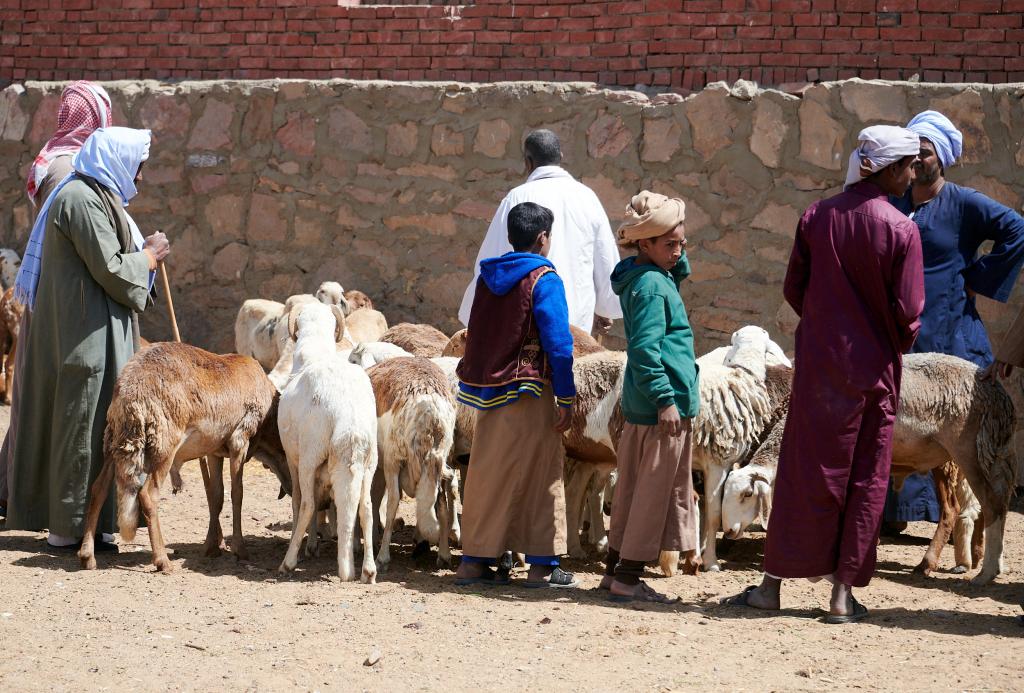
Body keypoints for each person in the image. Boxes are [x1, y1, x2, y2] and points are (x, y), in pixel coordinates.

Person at [723, 125, 925, 623]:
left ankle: (771, 587)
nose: (915, 173)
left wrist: (824, 327)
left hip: (818, 369)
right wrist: (882, 340)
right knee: (864, 477)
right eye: (911, 165)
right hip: (873, 372)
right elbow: (910, 311)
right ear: (893, 169)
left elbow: (796, 288)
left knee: (804, 469)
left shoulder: (817, 216)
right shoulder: (902, 229)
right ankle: (841, 595)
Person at [4, 127, 170, 550]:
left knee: (101, 427)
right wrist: (148, 257)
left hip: (94, 329)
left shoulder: (96, 195)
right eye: (138, 167)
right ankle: (69, 525)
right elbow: (111, 268)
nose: (141, 177)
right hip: (84, 336)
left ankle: (99, 525)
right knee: (82, 423)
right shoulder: (80, 199)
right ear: (116, 161)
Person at [883, 110, 1024, 530]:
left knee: (952, 434)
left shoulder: (964, 202)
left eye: (924, 154)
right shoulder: (896, 203)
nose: (917, 162)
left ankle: (956, 524)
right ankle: (898, 518)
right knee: (900, 426)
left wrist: (975, 277)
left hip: (949, 333)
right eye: (911, 155)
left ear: (940, 158)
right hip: (902, 335)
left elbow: (1018, 230)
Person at [0, 81, 113, 519]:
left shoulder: (56, 157)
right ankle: (36, 499)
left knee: (35, 391)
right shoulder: (69, 167)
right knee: (53, 397)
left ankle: (15, 487)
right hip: (61, 299)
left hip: (47, 292)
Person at [454, 201, 578, 588]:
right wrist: (567, 396)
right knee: (541, 472)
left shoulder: (488, 277)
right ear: (543, 238)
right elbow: (559, 343)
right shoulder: (544, 279)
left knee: (488, 472)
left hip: (488, 391)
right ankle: (542, 565)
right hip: (529, 390)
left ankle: (474, 561)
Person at [601, 191, 700, 604]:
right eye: (669, 244)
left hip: (647, 407)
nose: (678, 252)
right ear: (645, 244)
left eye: (682, 243)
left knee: (632, 490)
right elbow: (644, 349)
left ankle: (613, 572)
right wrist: (665, 399)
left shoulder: (645, 278)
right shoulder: (653, 288)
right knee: (651, 494)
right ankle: (627, 577)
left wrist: (672, 248)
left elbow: (675, 273)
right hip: (660, 410)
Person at [457, 129, 622, 337]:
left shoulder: (517, 198)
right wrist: (605, 307)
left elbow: (490, 262)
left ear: (528, 161)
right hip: (575, 323)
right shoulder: (587, 198)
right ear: (560, 157)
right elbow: (605, 260)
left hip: (525, 326)